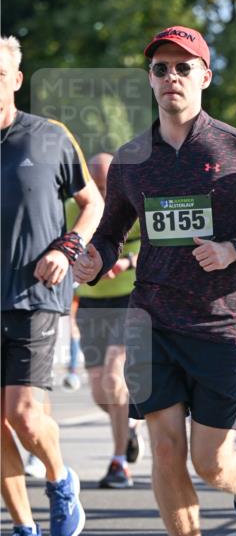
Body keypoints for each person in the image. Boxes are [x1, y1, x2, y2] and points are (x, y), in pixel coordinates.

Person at [73, 26, 236, 536]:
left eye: (182, 67)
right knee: (166, 451)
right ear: (150, 79)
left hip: (220, 322)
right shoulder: (130, 159)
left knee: (209, 460)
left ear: (205, 76)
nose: (171, 78)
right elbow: (112, 235)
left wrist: (234, 251)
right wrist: (91, 262)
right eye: (161, 69)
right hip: (151, 318)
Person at [1, 34, 103, 536]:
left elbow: (93, 201)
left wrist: (68, 247)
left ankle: (60, 479)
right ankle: (23, 531)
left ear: (16, 79)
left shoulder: (49, 137)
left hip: (33, 293)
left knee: (21, 413)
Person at [68, 153, 143, 488]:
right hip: (92, 301)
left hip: (130, 297)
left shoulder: (133, 200)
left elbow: (157, 245)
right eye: (96, 183)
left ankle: (118, 464)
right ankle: (127, 427)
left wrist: (126, 262)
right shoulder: (77, 208)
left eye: (106, 183)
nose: (101, 190)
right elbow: (66, 246)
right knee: (101, 391)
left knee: (115, 377)